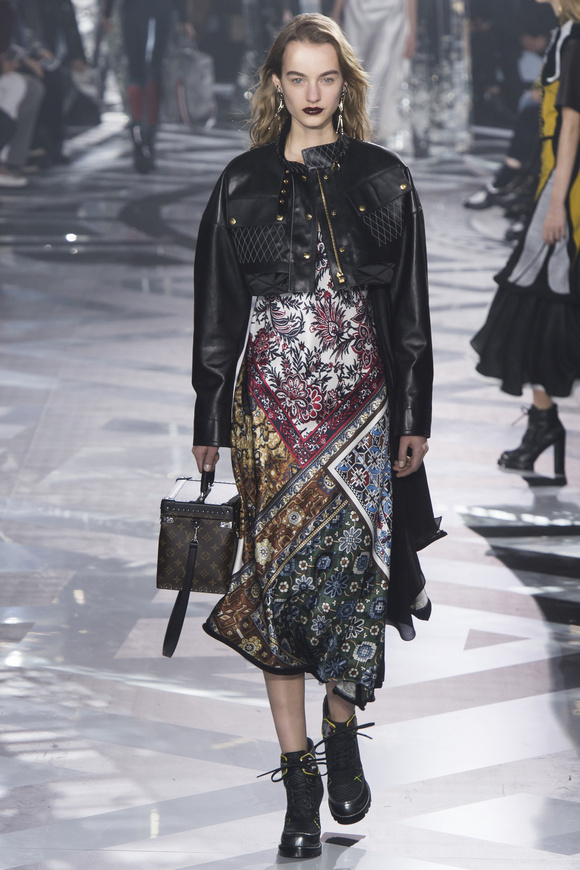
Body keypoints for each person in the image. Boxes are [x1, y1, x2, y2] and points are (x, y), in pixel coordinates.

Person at [191, 14, 442, 860]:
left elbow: (410, 311)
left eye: (326, 78)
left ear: (345, 85)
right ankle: (300, 783)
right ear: (275, 85)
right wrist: (209, 417)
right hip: (270, 421)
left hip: (362, 419)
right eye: (296, 78)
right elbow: (218, 312)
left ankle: (340, 724)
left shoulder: (384, 179)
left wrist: (415, 415)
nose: (311, 93)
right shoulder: (241, 183)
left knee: (354, 587)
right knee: (279, 597)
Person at [472, 0, 580, 486]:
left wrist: (555, 204)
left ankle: (544, 423)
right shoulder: (565, 36)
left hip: (566, 192)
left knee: (535, 301)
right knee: (537, 304)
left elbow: (572, 125)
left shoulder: (574, 41)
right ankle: (542, 421)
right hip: (557, 185)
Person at [101, 0, 195, 173]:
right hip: (160, 9)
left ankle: (139, 136)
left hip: (134, 9)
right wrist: (184, 17)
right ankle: (148, 139)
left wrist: (107, 12)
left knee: (137, 73)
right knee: (153, 73)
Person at [332, 0, 417, 149]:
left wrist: (412, 30)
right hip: (356, 10)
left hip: (391, 9)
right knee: (354, 69)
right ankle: (360, 132)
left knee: (380, 69)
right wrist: (336, 13)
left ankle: (366, 133)